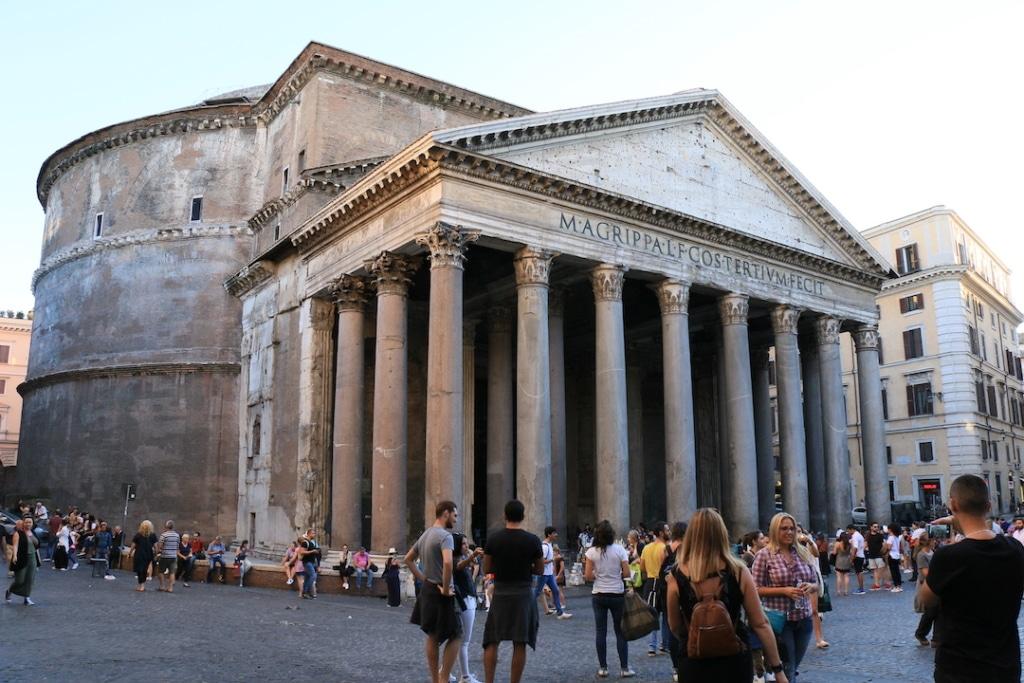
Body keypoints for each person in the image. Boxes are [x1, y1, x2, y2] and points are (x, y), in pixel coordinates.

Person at [918, 474, 1024, 682]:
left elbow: (925, 601)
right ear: (989, 506)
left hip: (958, 668)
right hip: (1005, 666)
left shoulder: (948, 557)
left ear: (953, 505)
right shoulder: (1015, 549)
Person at [666, 509, 788, 683]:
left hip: (693, 661)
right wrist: (777, 669)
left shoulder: (675, 575)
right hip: (734, 659)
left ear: (691, 535)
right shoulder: (739, 571)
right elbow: (760, 623)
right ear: (722, 534)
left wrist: (698, 636)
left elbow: (675, 626)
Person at [482, 500, 543, 683]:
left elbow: (486, 569)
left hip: (501, 592)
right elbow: (539, 570)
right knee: (520, 641)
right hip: (523, 593)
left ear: (504, 516)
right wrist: (526, 568)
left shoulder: (494, 539)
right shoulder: (532, 540)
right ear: (523, 517)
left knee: (492, 640)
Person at [752, 512, 818, 683]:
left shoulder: (802, 551)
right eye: (784, 529)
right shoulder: (764, 555)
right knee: (787, 667)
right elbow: (755, 589)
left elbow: (816, 582)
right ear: (775, 530)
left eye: (792, 528)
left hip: (804, 619)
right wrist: (784, 591)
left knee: (793, 666)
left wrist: (811, 587)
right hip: (780, 620)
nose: (789, 532)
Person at [405, 500, 461, 683]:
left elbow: (408, 559)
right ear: (446, 513)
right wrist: (445, 589)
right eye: (455, 515)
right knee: (456, 635)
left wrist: (423, 579)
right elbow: (447, 562)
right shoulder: (445, 536)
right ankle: (444, 678)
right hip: (440, 590)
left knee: (432, 635)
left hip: (428, 588)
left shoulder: (427, 534)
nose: (456, 519)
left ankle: (435, 679)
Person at [584, 519, 635, 679]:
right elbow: (626, 574)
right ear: (611, 534)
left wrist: (599, 575)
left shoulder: (591, 552)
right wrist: (616, 575)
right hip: (617, 594)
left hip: (599, 593)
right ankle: (625, 668)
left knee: (601, 632)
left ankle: (603, 668)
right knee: (620, 632)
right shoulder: (620, 550)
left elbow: (587, 576)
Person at [453, 533, 484, 683]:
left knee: (456, 640)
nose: (467, 546)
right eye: (464, 544)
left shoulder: (459, 558)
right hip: (465, 600)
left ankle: (444, 671)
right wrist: (471, 557)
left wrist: (471, 556)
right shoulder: (455, 560)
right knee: (463, 642)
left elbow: (472, 564)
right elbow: (460, 566)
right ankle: (465, 677)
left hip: (468, 599)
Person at [640, 521, 670, 657]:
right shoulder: (665, 548)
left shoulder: (646, 548)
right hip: (663, 583)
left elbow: (642, 568)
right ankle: (665, 645)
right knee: (666, 615)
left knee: (653, 615)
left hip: (650, 582)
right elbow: (668, 568)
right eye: (667, 530)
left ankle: (652, 646)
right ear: (662, 533)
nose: (669, 532)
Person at [533, 526, 571, 620]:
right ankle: (523, 609)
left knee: (556, 590)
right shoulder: (545, 546)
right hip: (543, 574)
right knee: (536, 593)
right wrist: (553, 559)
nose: (556, 535)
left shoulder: (549, 544)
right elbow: (541, 561)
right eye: (554, 533)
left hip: (549, 574)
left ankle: (560, 613)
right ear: (549, 534)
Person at [5, 517, 40, 606]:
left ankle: (27, 598)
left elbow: (37, 546)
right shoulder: (18, 533)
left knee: (30, 579)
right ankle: (10, 591)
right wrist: (15, 556)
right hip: (21, 558)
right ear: (23, 523)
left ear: (32, 523)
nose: (28, 524)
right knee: (19, 580)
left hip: (32, 559)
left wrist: (38, 559)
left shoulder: (33, 533)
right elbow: (15, 545)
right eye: (26, 522)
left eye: (30, 522)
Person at [913, 535, 938, 646]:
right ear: (928, 542)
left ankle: (937, 638)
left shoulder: (932, 552)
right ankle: (921, 633)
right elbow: (926, 573)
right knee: (930, 612)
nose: (935, 542)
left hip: (935, 584)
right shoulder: (921, 555)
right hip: (926, 585)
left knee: (939, 611)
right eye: (933, 540)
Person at [131, 520, 157, 592]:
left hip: (139, 554)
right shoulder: (152, 535)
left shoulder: (138, 535)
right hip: (148, 554)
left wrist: (130, 553)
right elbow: (155, 546)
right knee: (144, 569)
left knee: (139, 569)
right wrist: (156, 553)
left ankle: (141, 585)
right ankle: (142, 585)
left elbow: (133, 545)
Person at [156, 520, 180, 593]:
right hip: (173, 556)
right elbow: (177, 546)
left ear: (166, 526)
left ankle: (162, 586)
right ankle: (170, 588)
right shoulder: (177, 535)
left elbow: (159, 546)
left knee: (161, 571)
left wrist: (158, 551)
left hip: (164, 556)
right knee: (172, 572)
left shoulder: (164, 535)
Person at [865, 522, 887, 590]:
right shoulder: (868, 536)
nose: (876, 528)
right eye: (874, 526)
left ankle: (884, 582)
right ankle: (876, 584)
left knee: (881, 569)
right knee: (874, 570)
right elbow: (865, 544)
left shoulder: (880, 535)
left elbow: (884, 545)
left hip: (879, 555)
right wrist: (866, 548)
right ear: (871, 527)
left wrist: (882, 552)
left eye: (877, 527)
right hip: (871, 555)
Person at [299, 529, 321, 598]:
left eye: (314, 533)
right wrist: (312, 551)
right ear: (309, 534)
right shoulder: (305, 542)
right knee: (313, 576)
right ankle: (306, 591)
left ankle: (304, 593)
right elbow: (302, 552)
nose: (314, 535)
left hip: (312, 562)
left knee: (307, 578)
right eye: (313, 533)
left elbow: (314, 553)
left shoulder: (311, 542)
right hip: (307, 562)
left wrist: (316, 552)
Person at [846, 523, 866, 595]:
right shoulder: (859, 535)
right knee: (859, 572)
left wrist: (852, 557)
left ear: (852, 529)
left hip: (857, 556)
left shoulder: (855, 536)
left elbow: (855, 548)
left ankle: (861, 589)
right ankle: (861, 588)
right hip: (860, 555)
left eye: (848, 531)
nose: (848, 533)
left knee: (859, 572)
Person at [884, 524, 903, 592]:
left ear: (890, 530)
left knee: (893, 572)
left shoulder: (890, 537)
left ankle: (896, 586)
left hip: (891, 555)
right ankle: (899, 586)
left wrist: (885, 551)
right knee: (897, 571)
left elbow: (889, 547)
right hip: (897, 555)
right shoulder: (897, 537)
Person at [832, 531, 853, 596]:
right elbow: (851, 552)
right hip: (847, 560)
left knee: (839, 576)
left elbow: (834, 553)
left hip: (839, 560)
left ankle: (839, 591)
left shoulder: (838, 544)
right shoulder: (849, 544)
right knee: (846, 576)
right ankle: (846, 591)